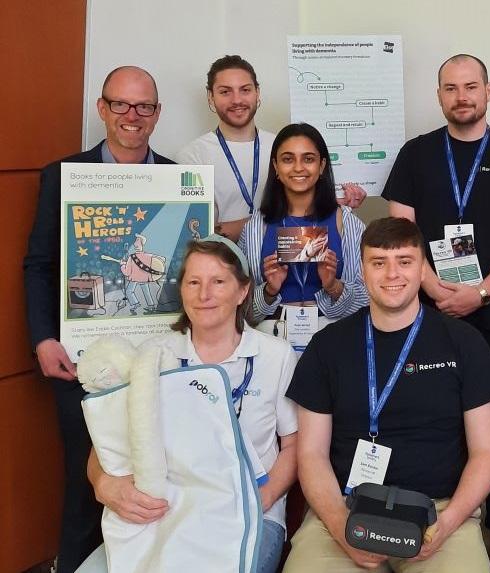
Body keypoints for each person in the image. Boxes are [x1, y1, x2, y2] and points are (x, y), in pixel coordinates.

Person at [382, 53, 490, 571]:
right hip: (425, 306)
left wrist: (479, 293)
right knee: (427, 409)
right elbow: (399, 232)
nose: (462, 96)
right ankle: (427, 515)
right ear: (439, 97)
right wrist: (435, 288)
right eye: (451, 88)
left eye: (471, 86)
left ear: (488, 91)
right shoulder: (415, 154)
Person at [284, 217, 490, 573]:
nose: (392, 274)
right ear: (362, 270)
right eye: (379, 263)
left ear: (423, 270)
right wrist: (343, 528)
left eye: (404, 261)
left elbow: (487, 454)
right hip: (345, 509)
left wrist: (447, 523)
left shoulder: (465, 342)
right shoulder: (327, 346)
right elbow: (310, 454)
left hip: (438, 512)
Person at [22, 66, 173, 573]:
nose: (133, 116)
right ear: (101, 108)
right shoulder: (62, 176)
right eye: (121, 104)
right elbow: (40, 265)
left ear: (157, 113)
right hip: (79, 360)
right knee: (87, 479)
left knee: (157, 474)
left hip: (157, 361)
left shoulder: (180, 180)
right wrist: (44, 339)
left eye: (144, 106)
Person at [79, 235, 298, 573]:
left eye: (218, 282)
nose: (204, 294)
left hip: (248, 512)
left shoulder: (275, 355)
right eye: (193, 282)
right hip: (171, 509)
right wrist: (104, 484)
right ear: (181, 290)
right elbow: (108, 445)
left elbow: (295, 445)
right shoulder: (155, 354)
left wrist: (261, 500)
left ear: (242, 291)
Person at [177, 55, 366, 242]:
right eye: (225, 92)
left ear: (257, 92)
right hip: (221, 266)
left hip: (288, 261)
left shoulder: (286, 149)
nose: (237, 100)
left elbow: (312, 209)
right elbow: (199, 235)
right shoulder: (192, 157)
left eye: (245, 90)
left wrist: (334, 205)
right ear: (211, 97)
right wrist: (264, 223)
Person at [239, 123, 369, 352]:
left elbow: (369, 299)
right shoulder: (255, 227)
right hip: (272, 340)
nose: (298, 167)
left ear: (322, 166)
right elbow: (241, 309)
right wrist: (269, 290)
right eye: (288, 159)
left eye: (308, 159)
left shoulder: (346, 222)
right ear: (276, 167)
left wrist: (333, 286)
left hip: (335, 338)